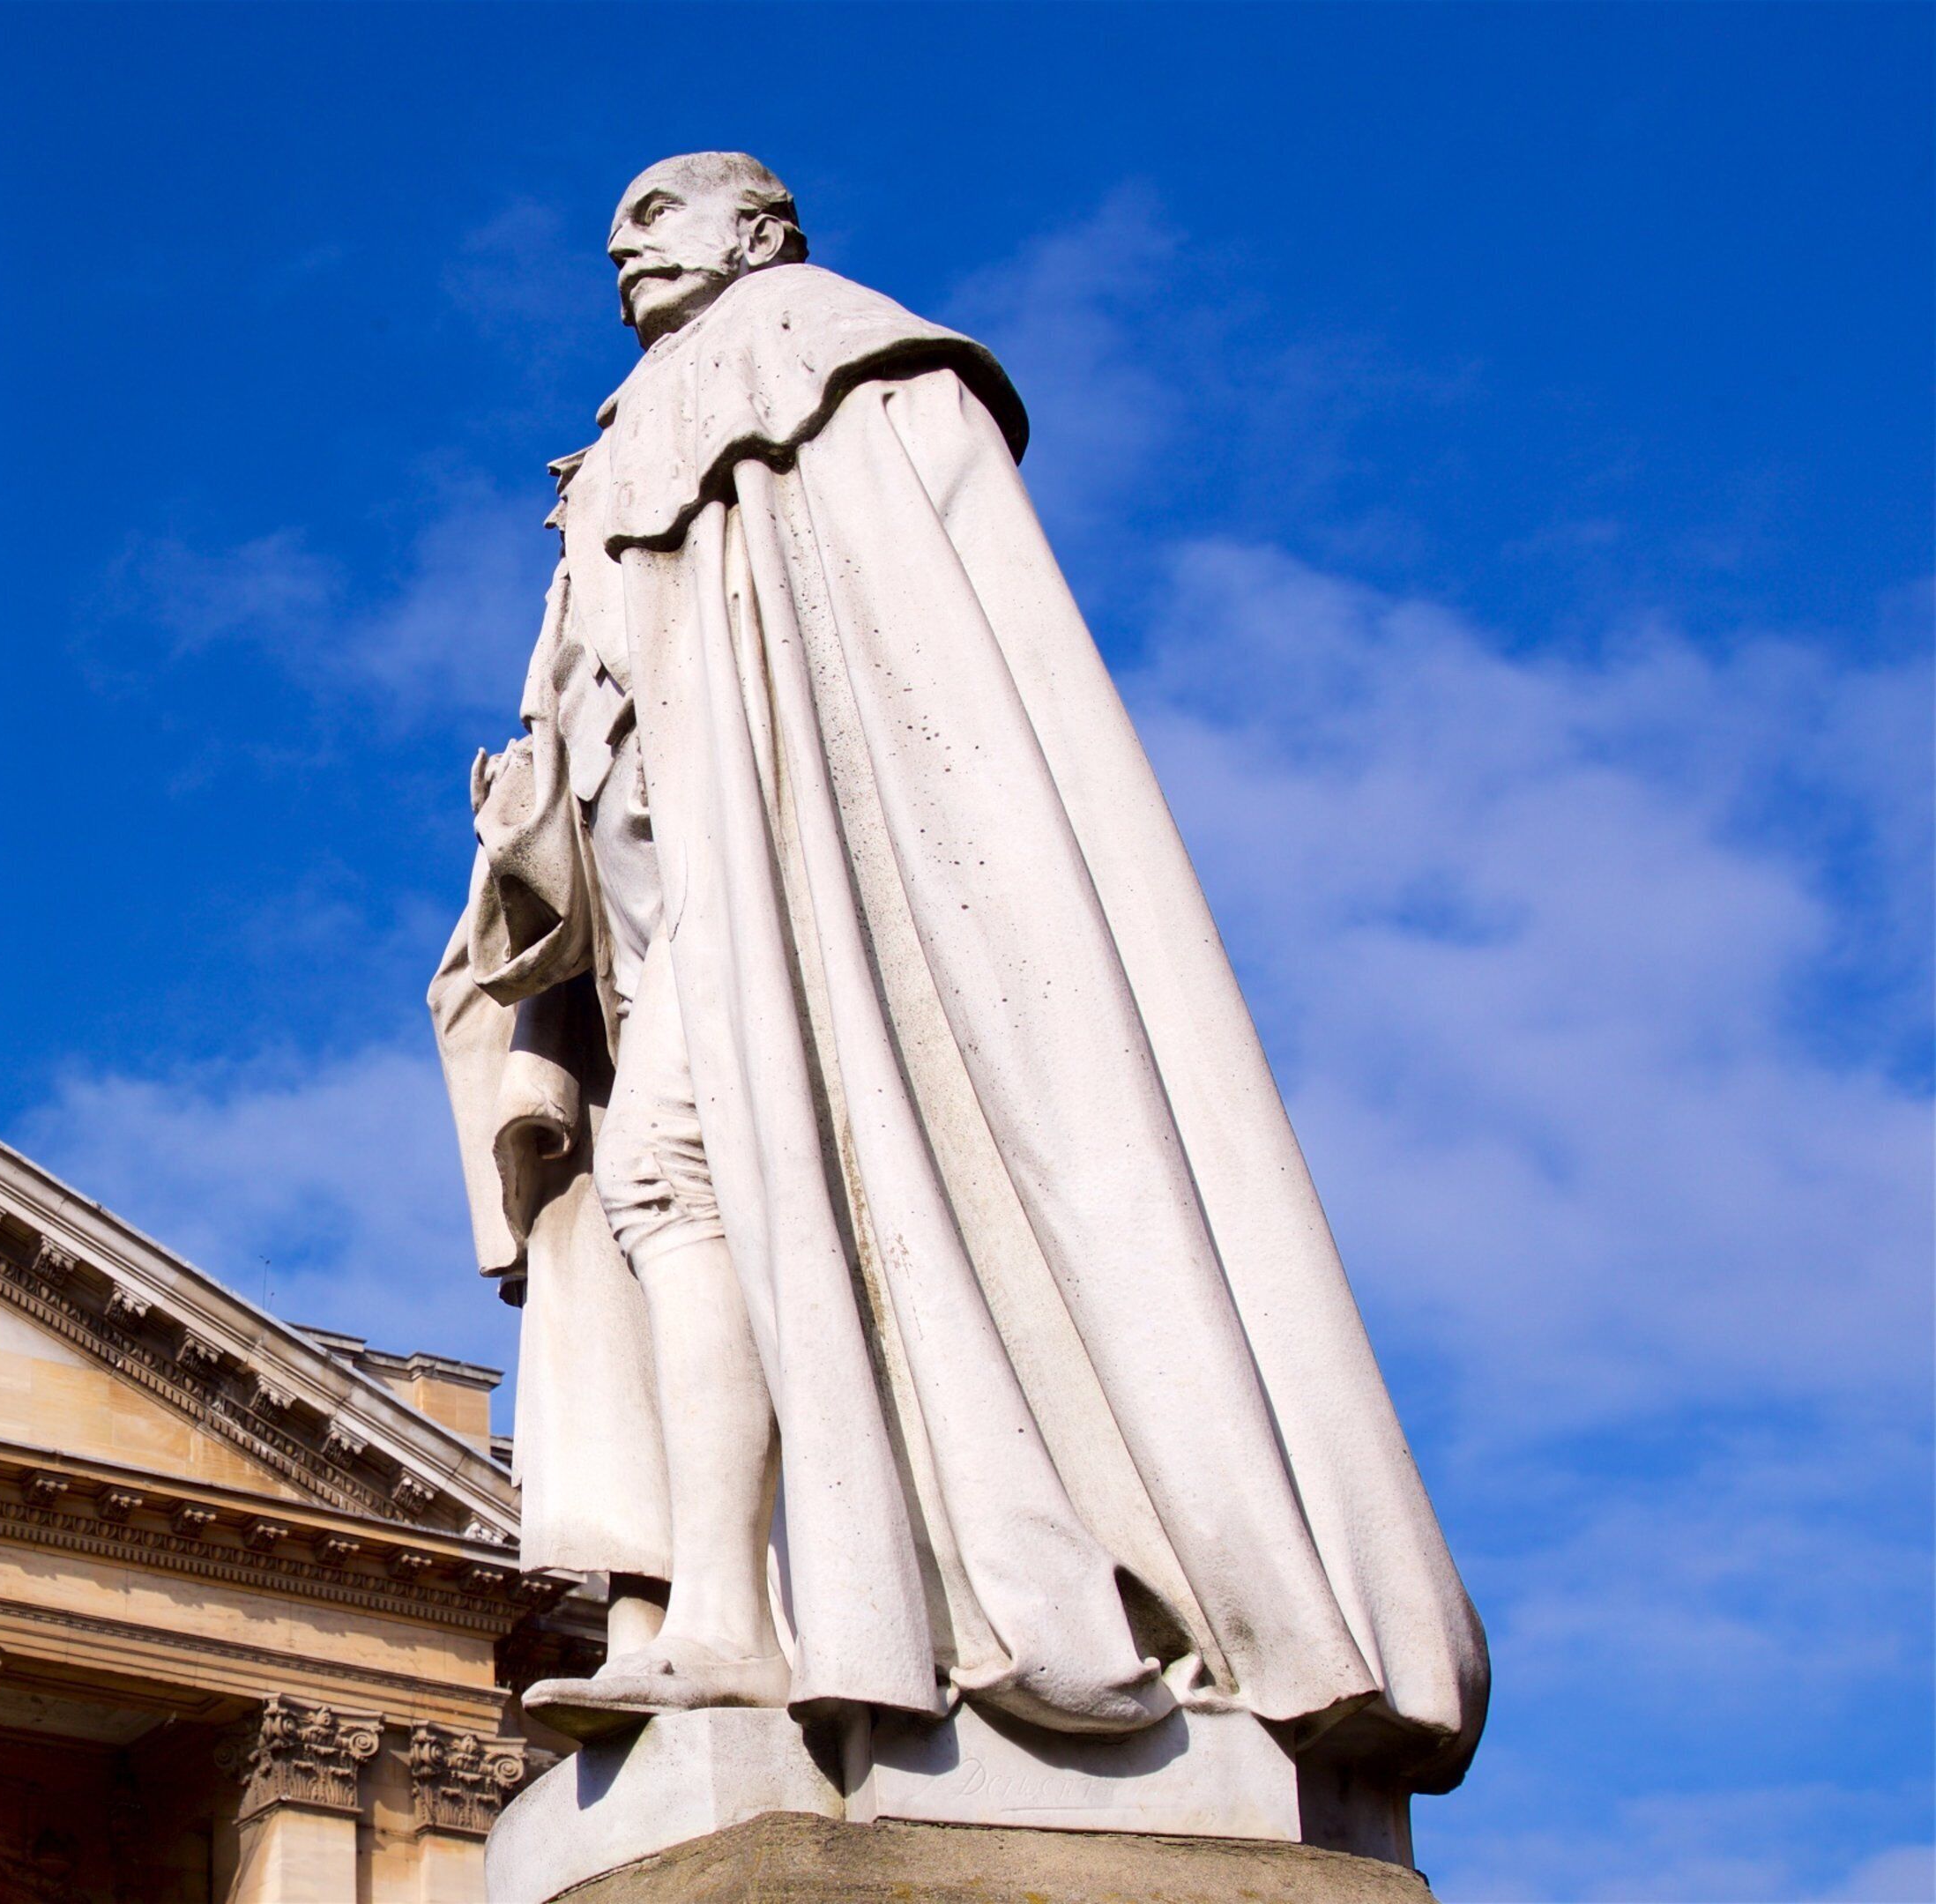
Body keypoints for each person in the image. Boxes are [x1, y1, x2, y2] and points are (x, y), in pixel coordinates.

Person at [430, 154, 1486, 1796]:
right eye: (614, 226)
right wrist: (531, 828)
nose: (625, 242)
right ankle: (711, 1607)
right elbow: (625, 726)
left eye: (663, 213)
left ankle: (807, 1602)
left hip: (826, 922)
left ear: (761, 232)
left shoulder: (835, 367)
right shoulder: (619, 455)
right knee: (656, 1191)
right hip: (677, 945)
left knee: (726, 1188)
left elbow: (930, 698)